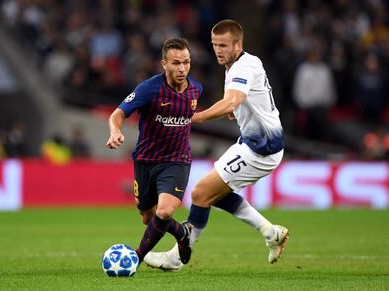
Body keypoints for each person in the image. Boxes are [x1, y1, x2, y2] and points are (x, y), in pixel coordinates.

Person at [144, 19, 289, 271]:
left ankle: (177, 258)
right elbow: (239, 101)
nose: (218, 50)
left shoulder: (242, 67)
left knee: (201, 193)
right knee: (213, 194)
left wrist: (195, 117)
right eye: (214, 45)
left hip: (261, 150)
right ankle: (270, 232)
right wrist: (236, 109)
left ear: (238, 45)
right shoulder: (237, 64)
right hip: (252, 143)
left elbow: (231, 100)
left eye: (223, 45)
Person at [106, 37, 203, 266]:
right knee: (147, 218)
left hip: (177, 161)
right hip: (145, 161)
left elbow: (194, 116)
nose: (182, 68)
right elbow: (117, 114)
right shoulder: (149, 89)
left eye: (186, 62)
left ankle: (134, 259)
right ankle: (182, 233)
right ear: (164, 64)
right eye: (176, 63)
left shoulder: (196, 89)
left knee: (165, 211)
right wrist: (114, 131)